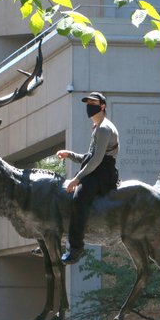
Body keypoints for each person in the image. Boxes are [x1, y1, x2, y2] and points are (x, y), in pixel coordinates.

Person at [57, 91, 119, 265]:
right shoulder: (98, 128)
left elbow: (98, 160)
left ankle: (76, 248)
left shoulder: (105, 128)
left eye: (93, 103)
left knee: (78, 199)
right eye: (87, 103)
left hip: (102, 174)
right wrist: (69, 154)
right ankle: (58, 239)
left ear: (102, 106)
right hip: (96, 170)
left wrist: (77, 179)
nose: (89, 106)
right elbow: (89, 157)